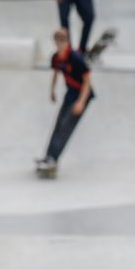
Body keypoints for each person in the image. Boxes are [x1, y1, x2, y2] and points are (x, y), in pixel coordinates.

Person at [36, 29, 94, 175]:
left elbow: (87, 81)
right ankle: (48, 157)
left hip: (82, 94)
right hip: (70, 93)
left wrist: (81, 102)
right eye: (57, 42)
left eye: (62, 42)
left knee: (66, 127)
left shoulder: (75, 57)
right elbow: (56, 72)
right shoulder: (56, 57)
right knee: (58, 124)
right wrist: (52, 90)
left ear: (67, 42)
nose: (60, 45)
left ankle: (54, 159)